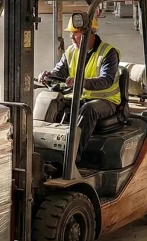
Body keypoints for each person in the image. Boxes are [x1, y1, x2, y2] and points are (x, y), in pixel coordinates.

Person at [39, 14, 121, 152]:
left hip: (105, 100)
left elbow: (106, 80)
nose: (71, 37)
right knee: (48, 101)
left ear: (90, 33)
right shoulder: (71, 51)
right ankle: (42, 148)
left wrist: (83, 83)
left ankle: (73, 156)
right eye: (71, 33)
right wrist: (48, 76)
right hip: (78, 97)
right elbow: (59, 71)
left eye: (76, 33)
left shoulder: (108, 52)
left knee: (88, 109)